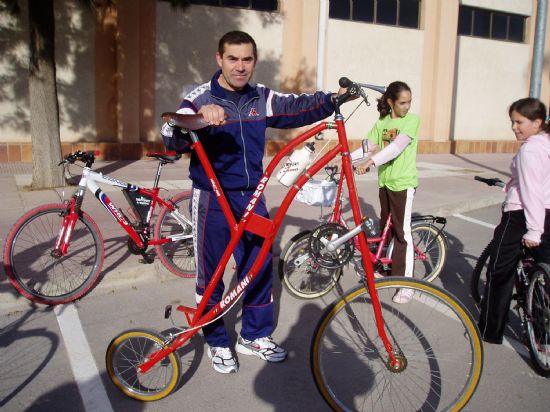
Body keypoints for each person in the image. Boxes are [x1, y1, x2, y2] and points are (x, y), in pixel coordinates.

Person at [161, 31, 348, 374]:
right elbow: (171, 134)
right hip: (212, 199)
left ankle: (254, 336)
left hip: (251, 196)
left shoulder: (260, 97)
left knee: (259, 265)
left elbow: (295, 107)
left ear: (254, 61)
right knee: (211, 275)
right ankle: (217, 340)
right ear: (219, 59)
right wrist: (201, 119)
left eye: (247, 59)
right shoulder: (200, 97)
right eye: (232, 58)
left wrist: (333, 99)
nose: (240, 66)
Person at [478, 97, 550, 344]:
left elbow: (531, 191)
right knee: (544, 274)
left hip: (521, 215)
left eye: (519, 122)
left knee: (500, 271)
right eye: (512, 122)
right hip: (547, 212)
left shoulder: (531, 149)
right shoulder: (547, 143)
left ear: (537, 122)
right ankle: (544, 337)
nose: (514, 127)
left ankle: (490, 330)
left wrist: (533, 230)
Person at [352, 81, 420, 304]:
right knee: (387, 229)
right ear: (391, 102)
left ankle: (407, 283)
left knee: (403, 233)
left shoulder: (412, 121)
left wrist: (370, 162)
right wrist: (344, 157)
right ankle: (388, 270)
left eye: (409, 101)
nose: (407, 106)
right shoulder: (383, 121)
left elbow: (395, 148)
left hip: (403, 184)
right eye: (402, 102)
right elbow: (368, 145)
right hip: (386, 183)